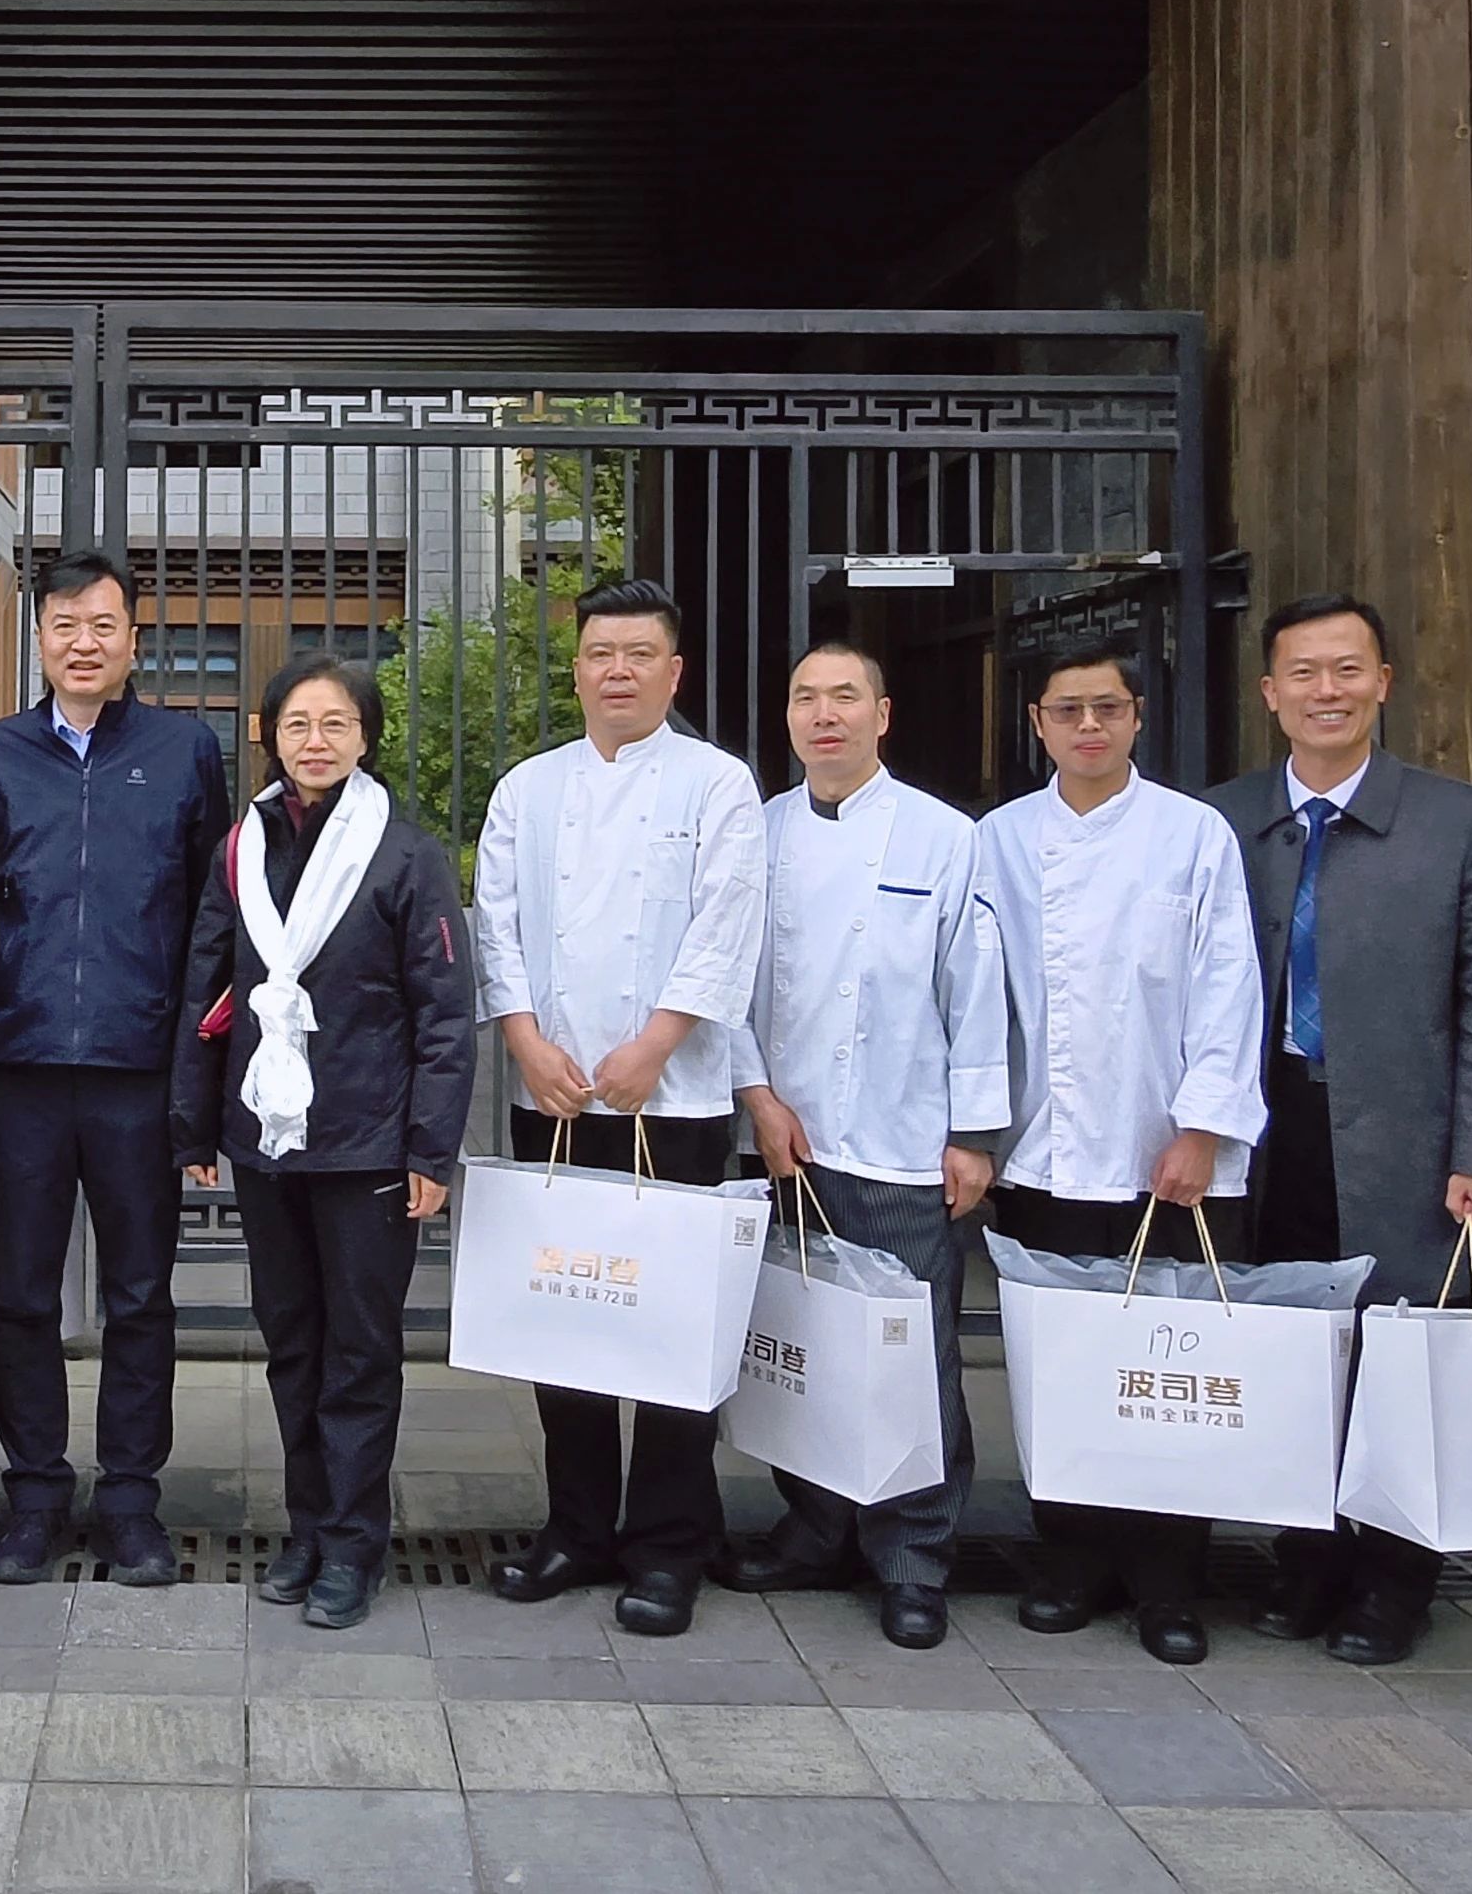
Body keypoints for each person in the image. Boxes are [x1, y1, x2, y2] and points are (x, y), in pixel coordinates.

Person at [1210, 593, 1472, 1667]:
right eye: (1303, 673)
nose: (1327, 692)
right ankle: (1305, 1558)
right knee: (1290, 1351)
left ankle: (1396, 1580)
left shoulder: (1462, 824)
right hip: (1267, 1135)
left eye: (1347, 670)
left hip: (1408, 1138)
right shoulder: (1221, 821)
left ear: (1383, 683)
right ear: (1270, 693)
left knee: (1402, 1358)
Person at [470, 576, 767, 1637]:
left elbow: (728, 923)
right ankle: (577, 1527)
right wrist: (522, 1039)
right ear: (577, 667)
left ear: (672, 671)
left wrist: (656, 1042)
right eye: (600, 652)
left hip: (672, 1097)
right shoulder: (528, 788)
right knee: (567, 1319)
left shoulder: (718, 784)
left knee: (670, 1324)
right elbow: (495, 922)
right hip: (551, 1093)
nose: (618, 671)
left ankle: (670, 1545)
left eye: (639, 654)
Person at [709, 639, 1009, 1651]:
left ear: (882, 715)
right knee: (802, 1347)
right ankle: (815, 1526)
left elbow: (977, 988)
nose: (824, 714)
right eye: (806, 697)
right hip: (787, 1140)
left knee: (910, 1357)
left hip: (903, 1140)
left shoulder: (943, 836)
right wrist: (756, 1097)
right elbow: (727, 981)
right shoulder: (758, 833)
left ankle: (914, 1553)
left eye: (845, 696)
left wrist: (973, 1133)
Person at [976, 639, 1269, 1666]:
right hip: (1043, 1151)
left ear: (1138, 715)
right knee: (1062, 1369)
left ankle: (1169, 1583)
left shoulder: (1193, 834)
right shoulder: (1000, 840)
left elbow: (1230, 982)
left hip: (1166, 1153)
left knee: (1166, 1374)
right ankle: (1071, 1563)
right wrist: (976, 1131)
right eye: (1067, 709)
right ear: (1039, 724)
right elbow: (977, 995)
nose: (1088, 726)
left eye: (1107, 707)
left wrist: (1202, 1126)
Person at [171, 654, 473, 1628]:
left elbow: (442, 1013)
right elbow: (205, 982)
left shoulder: (404, 855)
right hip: (268, 1137)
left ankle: (352, 1544)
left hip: (368, 1142)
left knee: (360, 1350)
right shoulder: (242, 847)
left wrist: (429, 1150)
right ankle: (307, 1527)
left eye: (336, 723)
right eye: (298, 723)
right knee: (293, 1343)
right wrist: (195, 1120)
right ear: (270, 735)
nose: (315, 741)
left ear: (365, 737)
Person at [0, 552, 233, 1587]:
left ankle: (129, 1500)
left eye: (103, 625)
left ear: (132, 640)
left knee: (141, 1294)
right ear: (40, 637)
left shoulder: (183, 750)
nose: (84, 642)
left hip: (138, 1068)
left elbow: (213, 917)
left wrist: (199, 1070)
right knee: (23, 1294)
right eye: (65, 623)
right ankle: (33, 1495)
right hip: (20, 1066)